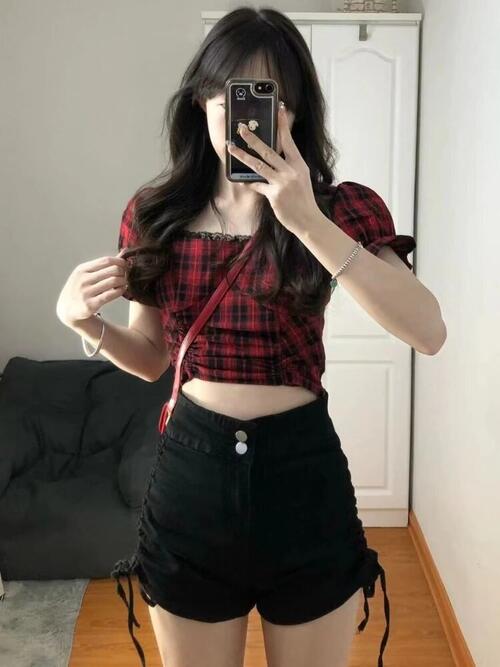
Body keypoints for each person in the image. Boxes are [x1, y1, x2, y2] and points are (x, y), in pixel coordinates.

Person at [57, 7, 446, 667]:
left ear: (295, 112)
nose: (250, 119)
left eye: (272, 99)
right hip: (192, 478)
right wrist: (85, 323)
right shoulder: (156, 215)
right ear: (201, 101)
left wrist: (306, 221)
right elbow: (151, 358)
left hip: (304, 479)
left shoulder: (341, 208)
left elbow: (428, 331)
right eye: (234, 95)